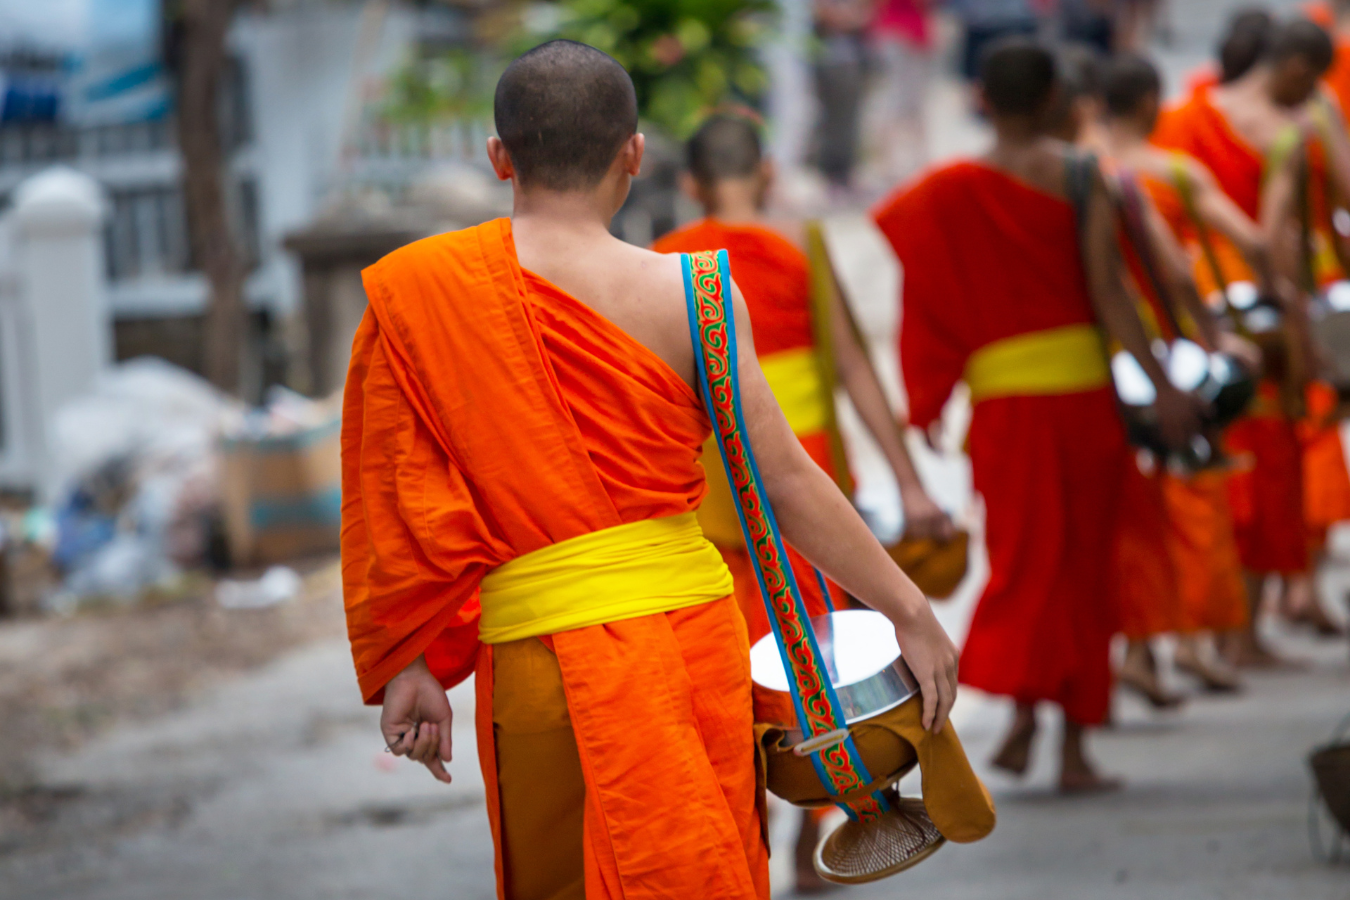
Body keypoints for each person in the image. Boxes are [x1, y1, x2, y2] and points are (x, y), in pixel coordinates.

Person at [341, 40, 960, 900]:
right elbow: (785, 481)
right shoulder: (694, 293)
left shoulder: (422, 293)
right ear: (633, 154)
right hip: (686, 651)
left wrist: (409, 663)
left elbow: (395, 496)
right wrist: (909, 611)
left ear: (498, 158)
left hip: (536, 667)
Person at [874, 38, 1202, 792]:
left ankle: (1024, 710)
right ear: (1054, 97)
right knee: (1084, 568)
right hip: (1083, 401)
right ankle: (1073, 749)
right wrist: (1164, 383)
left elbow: (925, 299)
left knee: (1024, 562)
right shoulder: (1083, 176)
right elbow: (1111, 292)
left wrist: (930, 395)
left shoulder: (943, 192)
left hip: (1006, 411)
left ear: (981, 100)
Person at [652, 113, 953, 892]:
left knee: (729, 673)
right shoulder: (801, 243)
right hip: (805, 487)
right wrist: (910, 481)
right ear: (769, 172)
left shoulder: (666, 262)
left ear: (690, 183)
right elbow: (853, 367)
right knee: (812, 668)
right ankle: (811, 831)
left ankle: (743, 838)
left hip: (710, 486)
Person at [1153, 18, 1350, 664]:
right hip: (1257, 316)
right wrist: (1295, 324)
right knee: (1268, 465)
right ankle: (1242, 636)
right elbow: (1273, 240)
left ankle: (1198, 630)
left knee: (1208, 465)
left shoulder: (1183, 116)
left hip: (1192, 302)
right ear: (1296, 70)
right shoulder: (1287, 133)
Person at [1098, 52, 1272, 691]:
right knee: (1190, 501)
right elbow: (1178, 265)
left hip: (1094, 362)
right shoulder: (1163, 174)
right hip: (1162, 353)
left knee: (1127, 514)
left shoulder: (1076, 175)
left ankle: (1139, 652)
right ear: (1150, 103)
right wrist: (1217, 334)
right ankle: (1193, 642)